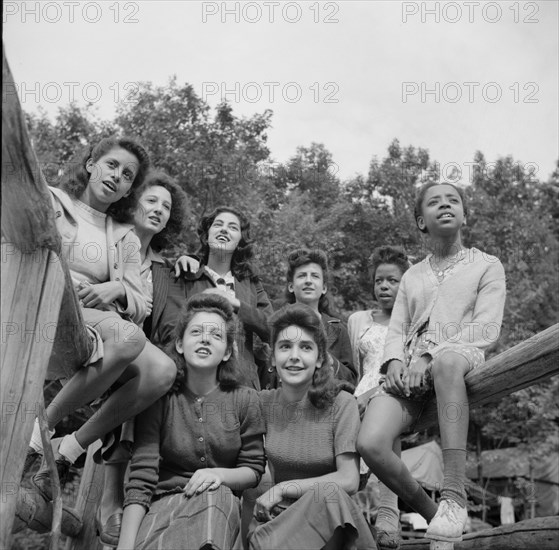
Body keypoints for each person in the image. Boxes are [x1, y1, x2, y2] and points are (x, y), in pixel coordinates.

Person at [27, 138, 176, 511]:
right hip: (46, 306)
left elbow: (140, 303)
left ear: (129, 189)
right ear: (91, 164)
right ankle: (39, 435)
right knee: (128, 336)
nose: (117, 176)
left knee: (163, 370)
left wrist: (116, 288)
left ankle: (65, 448)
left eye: (127, 175)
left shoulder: (123, 235)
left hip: (92, 323)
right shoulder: (54, 201)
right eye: (111, 165)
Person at [357, 182, 506, 545]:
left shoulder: (487, 265)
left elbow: (486, 327)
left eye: (453, 201)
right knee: (371, 442)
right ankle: (433, 513)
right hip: (409, 371)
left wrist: (432, 354)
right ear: (421, 221)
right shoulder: (411, 275)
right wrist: (392, 363)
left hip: (461, 355)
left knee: (448, 363)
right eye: (434, 203)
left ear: (464, 215)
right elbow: (396, 329)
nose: (445, 206)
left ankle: (454, 496)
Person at [117, 293, 267, 550]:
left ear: (228, 352)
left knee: (216, 498)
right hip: (163, 504)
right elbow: (141, 478)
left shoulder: (246, 399)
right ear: (179, 344)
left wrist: (217, 474)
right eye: (196, 332)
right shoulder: (159, 399)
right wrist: (125, 546)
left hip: (218, 504)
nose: (205, 339)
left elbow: (253, 470)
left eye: (216, 335)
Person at [95, 170, 191, 546]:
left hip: (140, 356)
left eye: (166, 206)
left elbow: (167, 323)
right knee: (144, 371)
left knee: (159, 375)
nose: (158, 210)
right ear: (132, 201)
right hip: (98, 340)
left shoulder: (165, 267)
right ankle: (111, 494)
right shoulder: (106, 241)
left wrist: (189, 263)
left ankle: (132, 497)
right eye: (151, 200)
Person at [249, 304, 376, 550]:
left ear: (319, 359)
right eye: (285, 347)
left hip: (331, 527)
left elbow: (349, 480)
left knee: (330, 494)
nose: (294, 356)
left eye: (305, 347)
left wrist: (284, 488)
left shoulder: (342, 403)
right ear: (273, 358)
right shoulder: (262, 403)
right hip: (280, 522)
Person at [156, 206, 274, 390]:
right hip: (194, 382)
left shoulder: (251, 284)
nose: (224, 229)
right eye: (218, 224)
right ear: (207, 235)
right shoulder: (184, 274)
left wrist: (235, 303)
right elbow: (169, 329)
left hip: (244, 387)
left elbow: (272, 328)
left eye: (233, 227)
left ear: (240, 241)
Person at [348, 246, 409, 549]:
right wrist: (357, 397)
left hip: (394, 394)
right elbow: (352, 369)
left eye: (392, 280)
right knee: (351, 474)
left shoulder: (412, 323)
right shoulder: (358, 320)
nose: (384, 286)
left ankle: (388, 513)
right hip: (356, 398)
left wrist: (373, 394)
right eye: (378, 281)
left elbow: (407, 370)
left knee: (387, 434)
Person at [284, 248, 357, 386]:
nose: (308, 281)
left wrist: (330, 361)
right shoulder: (277, 324)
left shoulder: (338, 329)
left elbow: (351, 379)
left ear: (324, 288)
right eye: (302, 276)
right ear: (291, 286)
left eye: (315, 276)